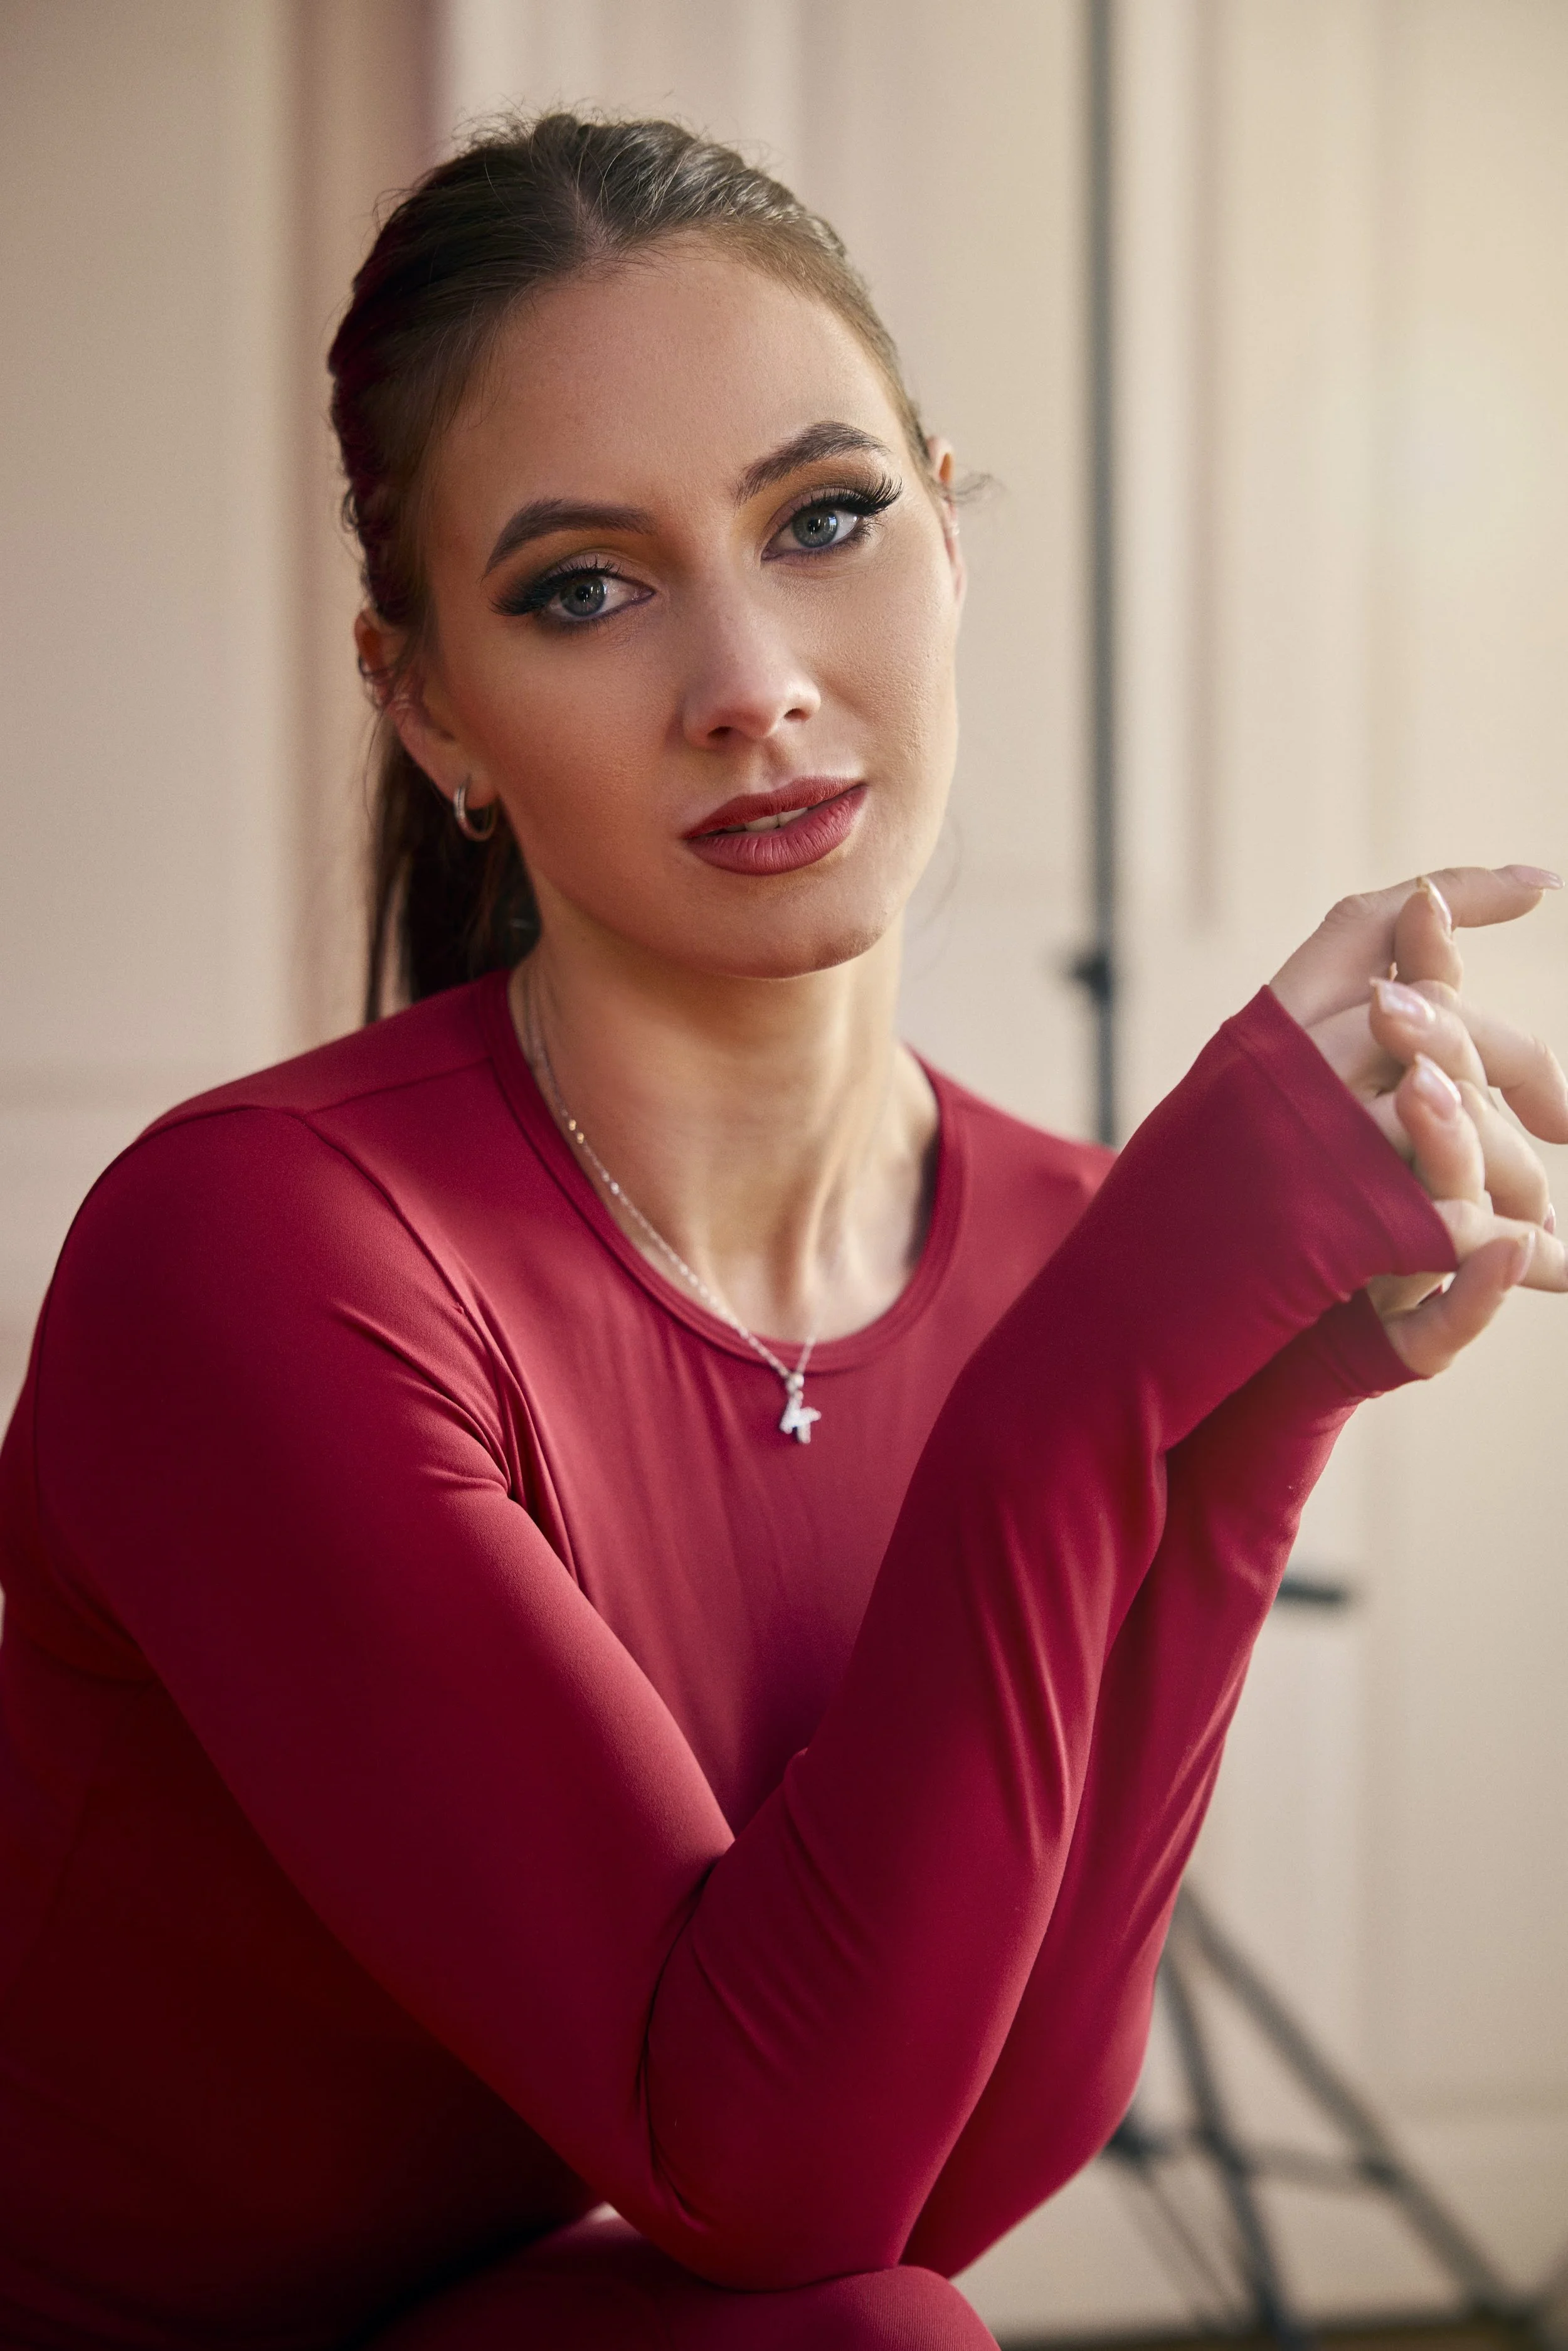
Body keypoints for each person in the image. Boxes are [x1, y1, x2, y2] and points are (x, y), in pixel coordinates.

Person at [0, 114, 1563, 2351]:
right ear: (428, 704)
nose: (747, 679)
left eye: (824, 517)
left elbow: (946, 2173)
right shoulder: (255, 1259)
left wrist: (1263, 1401)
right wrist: (1111, 1359)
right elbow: (770, 2171)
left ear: (949, 530)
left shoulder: (1059, 1243)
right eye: (582, 586)